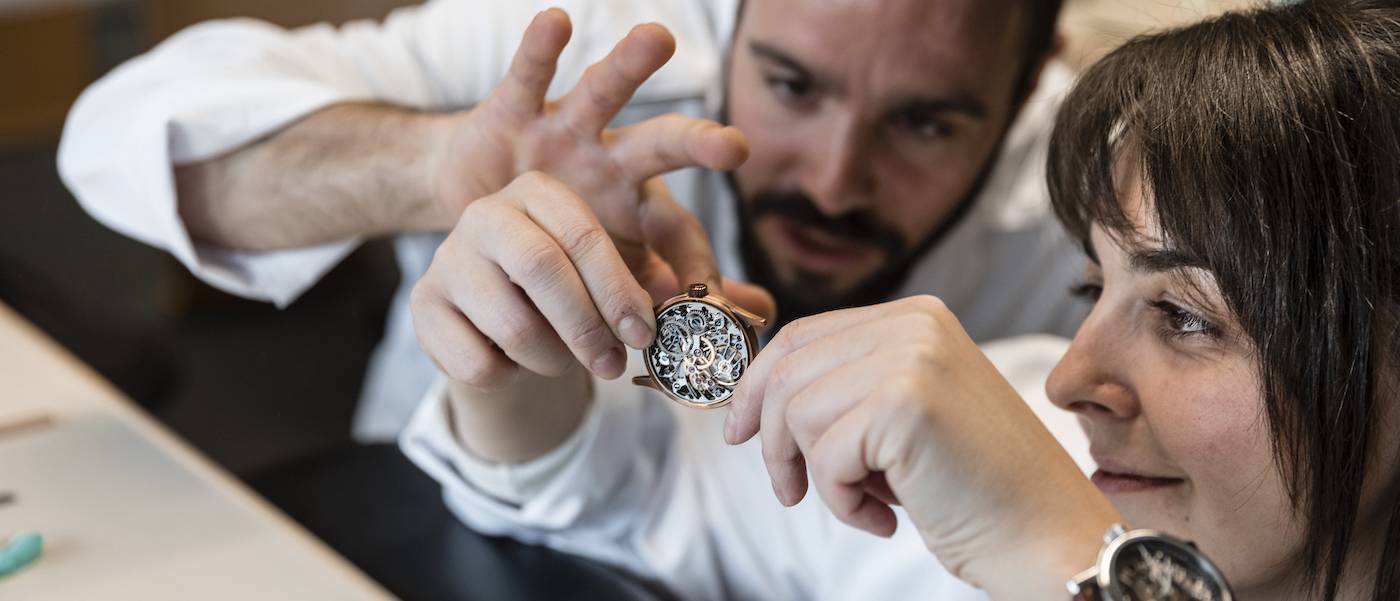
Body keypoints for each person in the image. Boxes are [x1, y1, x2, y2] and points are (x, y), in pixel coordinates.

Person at [405, 0, 1400, 599]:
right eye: (1092, 285)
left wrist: (1062, 557)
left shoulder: (1035, 507)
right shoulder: (1010, 430)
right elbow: (634, 494)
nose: (1072, 375)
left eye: (1186, 316)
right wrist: (524, 347)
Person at [57, 0, 1082, 442]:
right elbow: (125, 140)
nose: (832, 182)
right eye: (789, 85)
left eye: (923, 123)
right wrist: (431, 167)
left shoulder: (1091, 198)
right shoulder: (583, 43)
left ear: (1033, 74)